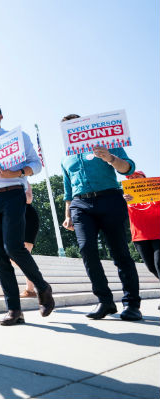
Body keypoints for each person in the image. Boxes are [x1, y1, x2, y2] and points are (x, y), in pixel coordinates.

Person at [0, 103, 54, 326]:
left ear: (0, 115)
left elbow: (36, 165)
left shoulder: (17, 137)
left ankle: (42, 287)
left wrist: (16, 173)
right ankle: (14, 310)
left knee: (13, 247)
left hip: (12, 194)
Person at [61, 114, 141, 321]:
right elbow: (68, 190)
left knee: (120, 252)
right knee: (86, 248)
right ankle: (104, 301)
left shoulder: (107, 145)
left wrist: (109, 158)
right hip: (81, 205)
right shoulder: (66, 157)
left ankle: (132, 303)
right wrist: (67, 214)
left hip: (110, 199)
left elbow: (128, 168)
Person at [123, 171, 159, 308]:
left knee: (159, 263)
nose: (133, 179)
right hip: (140, 235)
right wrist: (123, 201)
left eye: (136, 176)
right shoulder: (126, 197)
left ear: (144, 178)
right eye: (130, 178)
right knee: (151, 267)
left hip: (158, 233)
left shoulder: (156, 192)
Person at [15, 184, 40, 298]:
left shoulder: (23, 180)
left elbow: (29, 199)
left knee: (25, 253)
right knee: (9, 254)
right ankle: (39, 282)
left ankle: (30, 290)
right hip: (11, 219)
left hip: (27, 216)